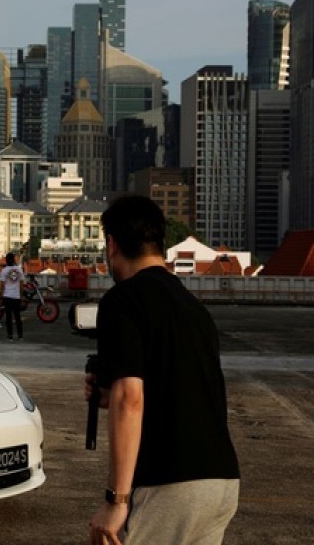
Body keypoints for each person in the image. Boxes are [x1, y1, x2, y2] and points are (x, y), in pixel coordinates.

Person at [85, 195, 240, 545]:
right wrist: (110, 393)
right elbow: (182, 387)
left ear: (111, 244)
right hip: (221, 479)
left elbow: (131, 399)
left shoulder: (122, 300)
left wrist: (117, 500)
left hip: (170, 483)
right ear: (160, 242)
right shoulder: (193, 308)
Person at [0, 252, 24, 340]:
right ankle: (20, 335)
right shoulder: (19, 270)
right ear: (13, 259)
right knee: (17, 317)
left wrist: (1, 297)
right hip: (16, 296)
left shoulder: (4, 270)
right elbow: (21, 284)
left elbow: (2, 286)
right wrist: (21, 296)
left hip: (7, 296)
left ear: (6, 260)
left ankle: (10, 336)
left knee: (8, 317)